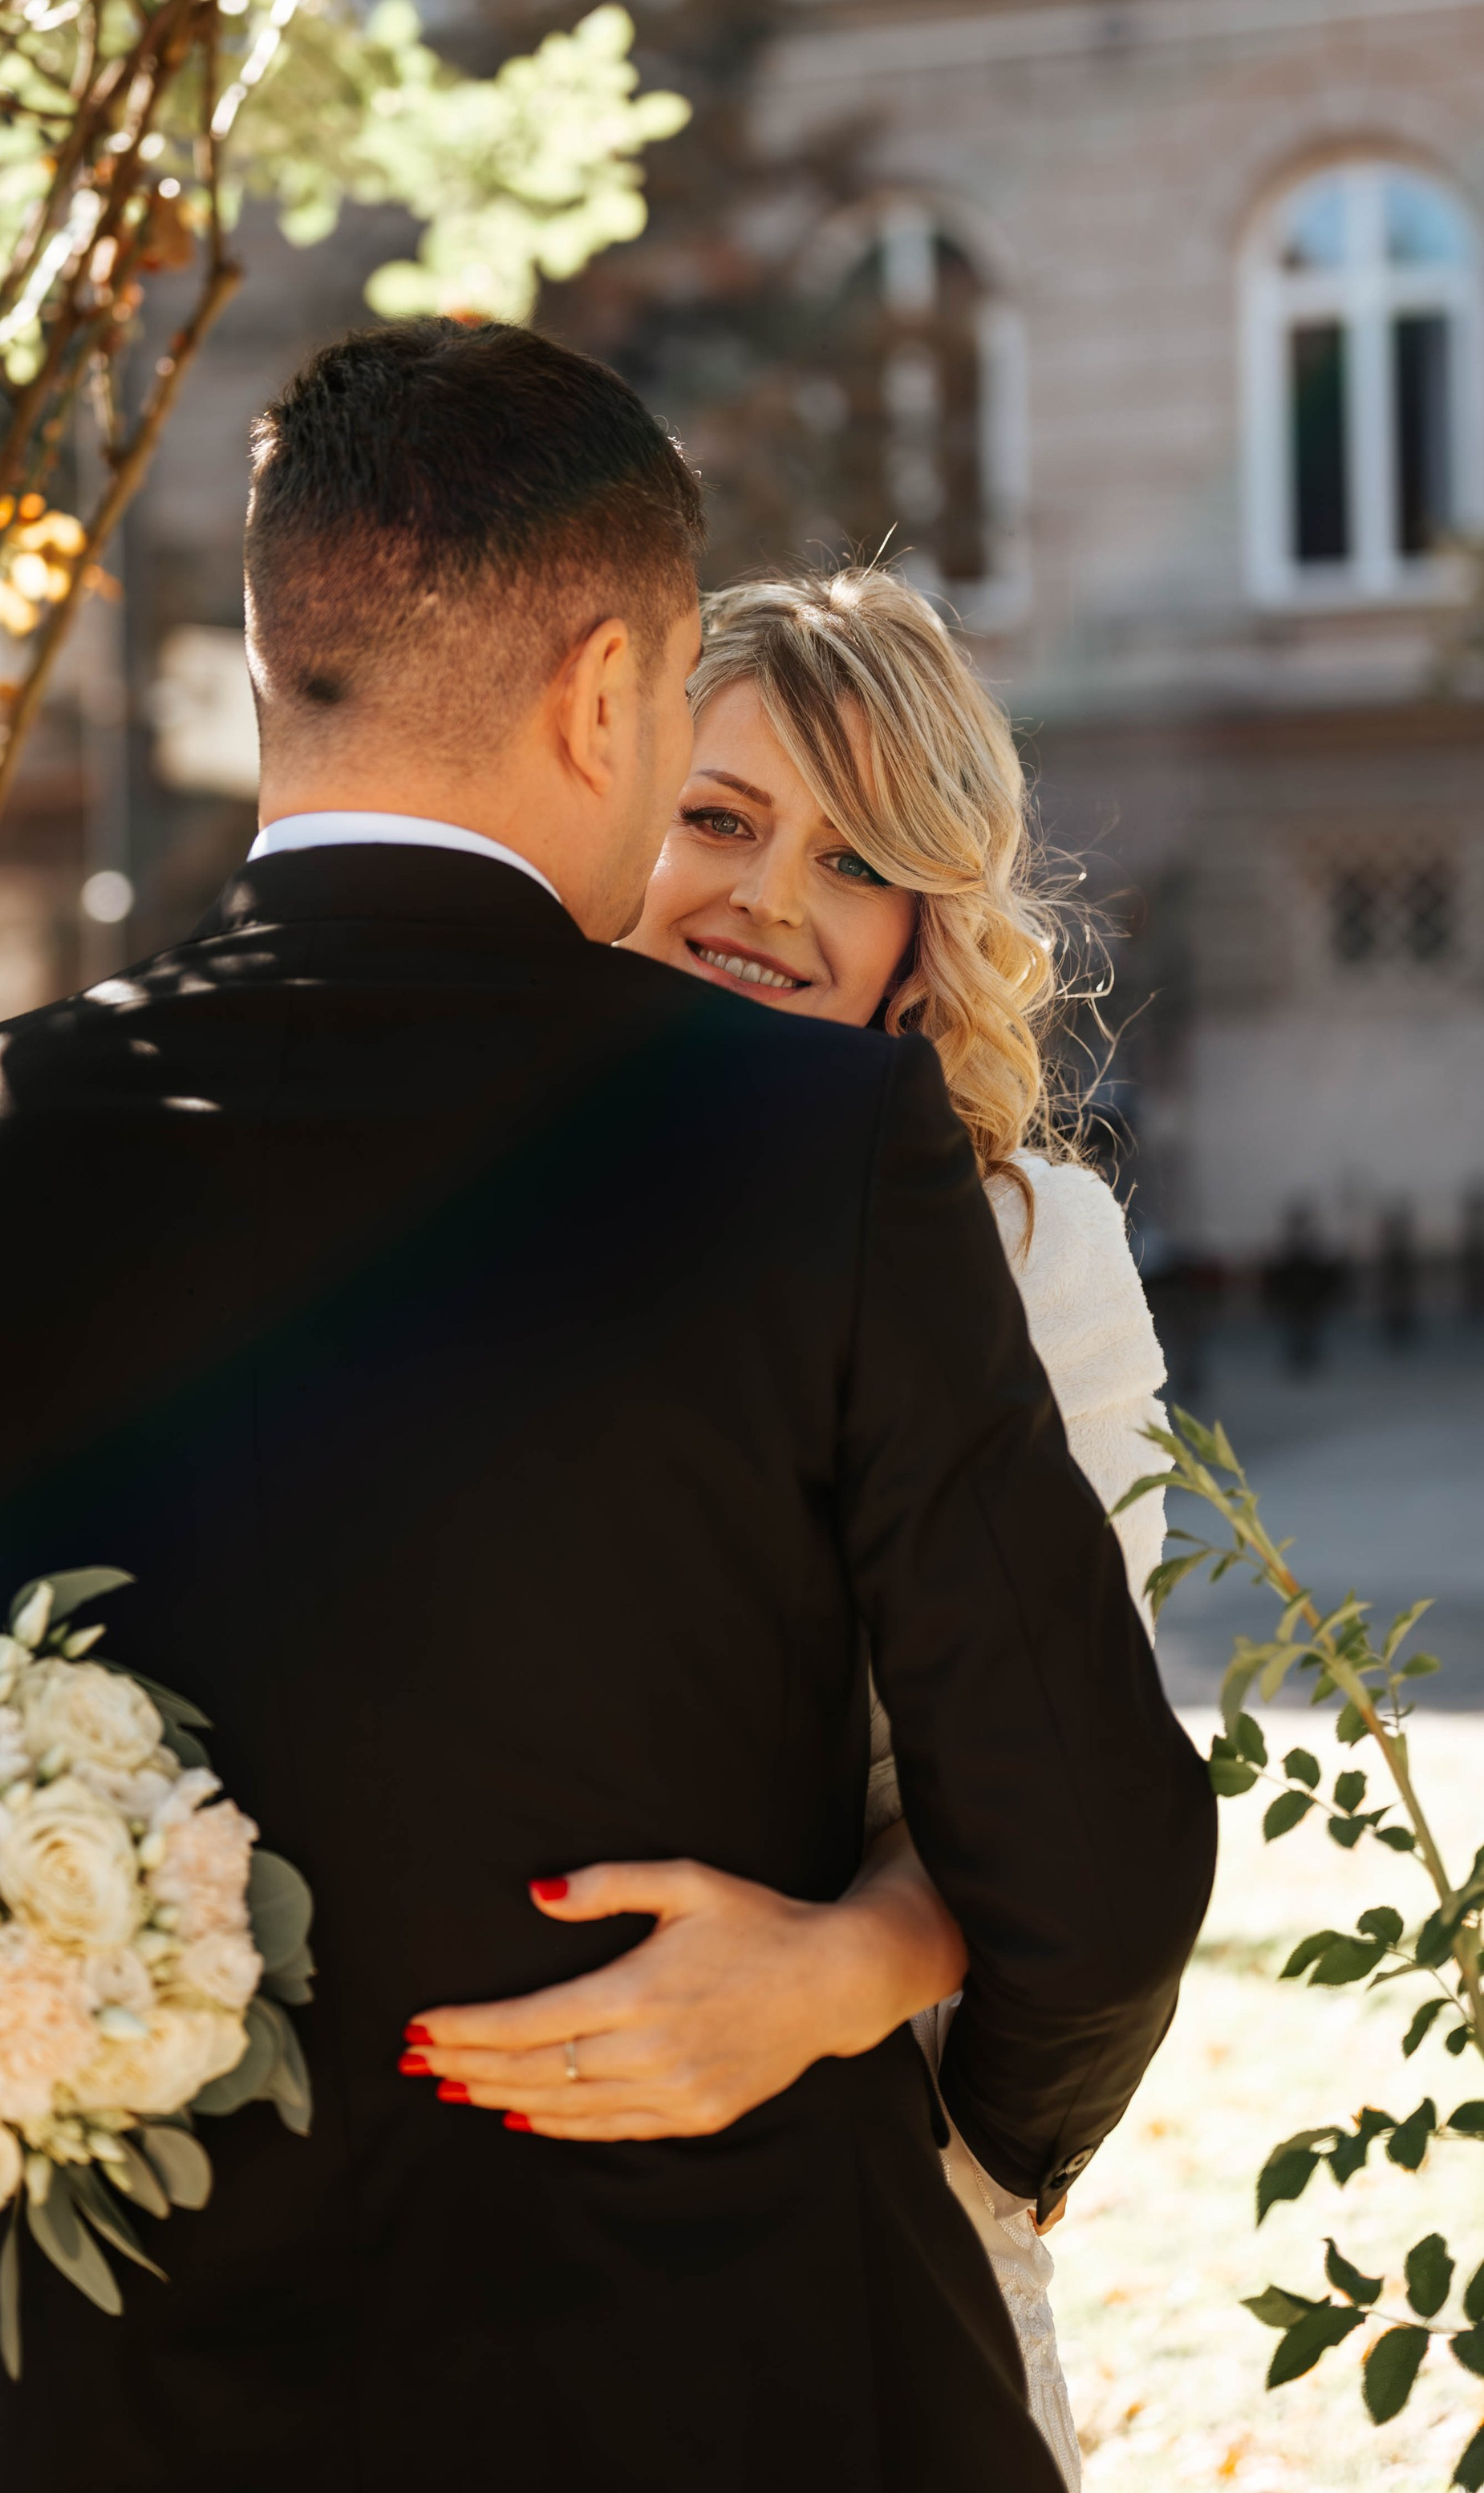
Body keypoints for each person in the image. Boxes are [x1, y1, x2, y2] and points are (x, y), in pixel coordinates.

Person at [0, 319, 1214, 2493]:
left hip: (155, 2413)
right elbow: (1093, 1854)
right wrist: (962, 2146)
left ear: (270, 662)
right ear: (612, 693)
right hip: (751, 2381)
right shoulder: (811, 1156)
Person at [431, 563, 1168, 2485]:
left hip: (849, 2174)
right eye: (722, 818)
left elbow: (1058, 1770)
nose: (763, 898)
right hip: (447, 2188)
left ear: (920, 942)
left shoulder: (1030, 1260)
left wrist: (834, 1973)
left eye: (850, 864)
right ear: (618, 821)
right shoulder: (438, 1197)